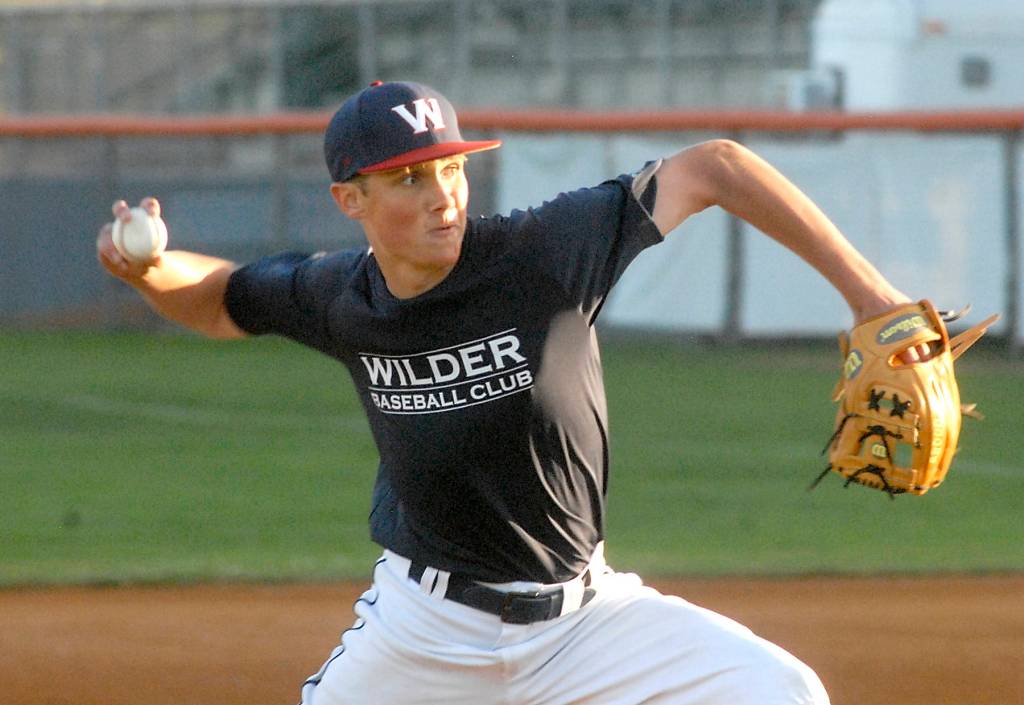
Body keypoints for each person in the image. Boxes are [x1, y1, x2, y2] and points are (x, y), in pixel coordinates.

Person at [97, 80, 916, 705]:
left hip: (588, 622)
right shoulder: (340, 297)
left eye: (450, 166)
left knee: (784, 693)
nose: (442, 193)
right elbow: (221, 296)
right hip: (426, 631)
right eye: (409, 178)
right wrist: (151, 269)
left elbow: (717, 167)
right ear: (351, 199)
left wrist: (873, 299)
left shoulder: (544, 252)